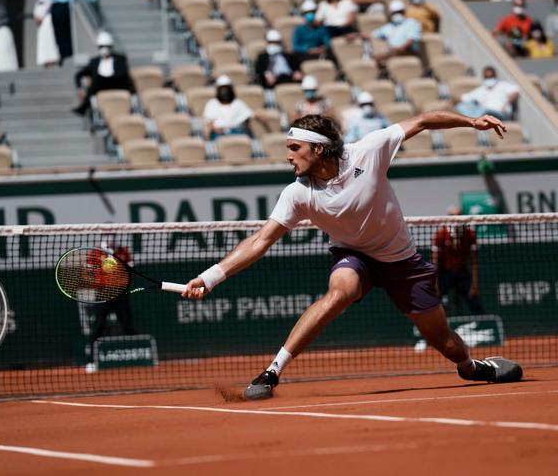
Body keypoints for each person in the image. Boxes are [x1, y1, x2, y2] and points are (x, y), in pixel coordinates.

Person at [183, 110, 523, 400]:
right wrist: (209, 277)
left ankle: (471, 367)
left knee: (446, 343)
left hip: (401, 260)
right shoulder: (297, 193)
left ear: (318, 148)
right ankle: (273, 371)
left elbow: (423, 120)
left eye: (294, 148)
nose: (288, 156)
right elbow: (260, 240)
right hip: (353, 254)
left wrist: (471, 122)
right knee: (338, 294)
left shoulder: (369, 150)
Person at [84, 238, 138, 372]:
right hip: (103, 293)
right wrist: (98, 280)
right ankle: (91, 360)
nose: (110, 238)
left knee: (128, 325)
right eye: (107, 235)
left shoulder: (123, 251)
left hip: (121, 292)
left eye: (112, 235)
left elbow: (131, 270)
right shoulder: (95, 252)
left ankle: (136, 357)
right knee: (98, 326)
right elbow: (88, 273)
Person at [432, 206, 485, 316]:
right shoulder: (440, 234)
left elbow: (474, 262)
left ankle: (481, 323)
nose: (456, 219)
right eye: (452, 216)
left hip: (462, 273)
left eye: (459, 215)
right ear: (448, 218)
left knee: (474, 301)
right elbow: (435, 262)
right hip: (444, 274)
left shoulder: (470, 234)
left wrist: (475, 284)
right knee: (435, 302)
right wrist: (435, 285)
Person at [72, 32, 133, 116]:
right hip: (100, 86)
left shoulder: (120, 59)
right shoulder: (94, 62)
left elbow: (123, 74)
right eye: (101, 47)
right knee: (96, 79)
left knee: (98, 79)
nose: (104, 49)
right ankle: (84, 108)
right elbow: (78, 75)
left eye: (107, 46)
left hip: (117, 85)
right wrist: (81, 88)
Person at [203, 75, 266, 140]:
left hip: (237, 132)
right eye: (222, 88)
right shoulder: (212, 103)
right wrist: (216, 129)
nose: (224, 91)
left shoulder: (238, 103)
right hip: (219, 134)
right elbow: (208, 122)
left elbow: (250, 114)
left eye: (227, 88)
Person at [368, 0, 422, 66]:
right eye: (395, 13)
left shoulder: (411, 22)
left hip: (408, 51)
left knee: (384, 56)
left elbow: (410, 41)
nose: (397, 14)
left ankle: (381, 59)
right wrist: (357, 35)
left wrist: (399, 49)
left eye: (399, 12)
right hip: (393, 52)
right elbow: (373, 34)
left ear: (404, 12)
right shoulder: (389, 26)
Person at [34, 0, 60, 68]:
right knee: (43, 41)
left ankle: (51, 62)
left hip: (46, 17)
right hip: (40, 19)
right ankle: (46, 62)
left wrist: (41, 15)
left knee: (49, 39)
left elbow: (49, 1)